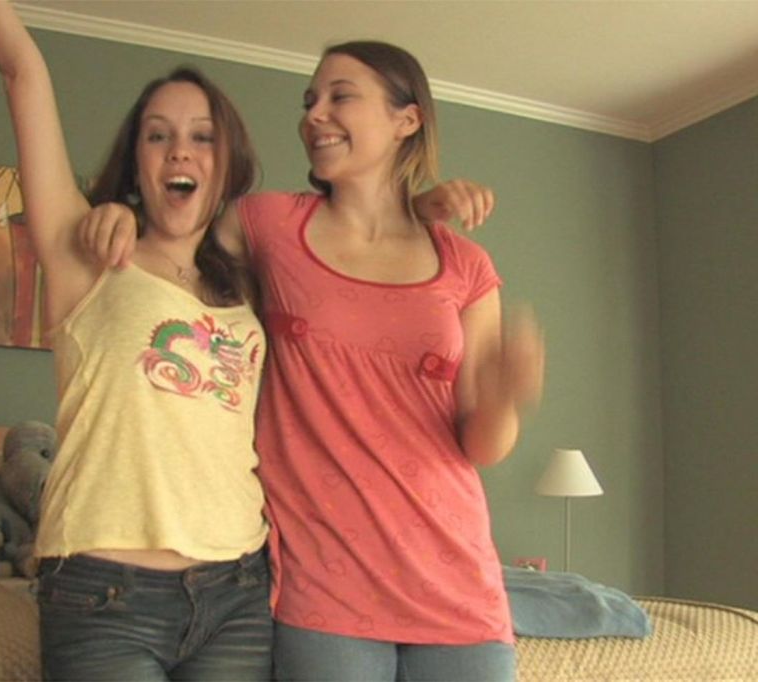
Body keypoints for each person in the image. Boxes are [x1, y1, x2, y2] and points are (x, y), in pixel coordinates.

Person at [76, 40, 545, 682]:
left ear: (406, 120)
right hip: (326, 589)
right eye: (309, 101)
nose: (314, 114)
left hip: (455, 579)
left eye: (339, 96)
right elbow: (176, 223)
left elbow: (482, 446)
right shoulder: (267, 224)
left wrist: (503, 397)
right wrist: (117, 215)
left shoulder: (467, 265)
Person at [0, 2, 271, 680]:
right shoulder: (88, 255)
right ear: (136, 165)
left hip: (239, 591)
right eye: (157, 137)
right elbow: (22, 72)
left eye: (202, 136)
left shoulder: (251, 283)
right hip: (104, 591)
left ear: (226, 165)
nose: (180, 151)